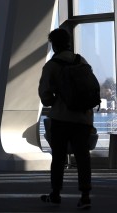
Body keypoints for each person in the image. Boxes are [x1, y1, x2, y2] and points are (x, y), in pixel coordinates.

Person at [38, 28, 94, 209]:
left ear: (54, 45)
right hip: (83, 119)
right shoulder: (81, 61)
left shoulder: (52, 65)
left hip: (61, 118)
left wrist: (56, 101)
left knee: (59, 158)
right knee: (83, 157)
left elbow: (45, 94)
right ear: (69, 42)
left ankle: (55, 193)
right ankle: (85, 196)